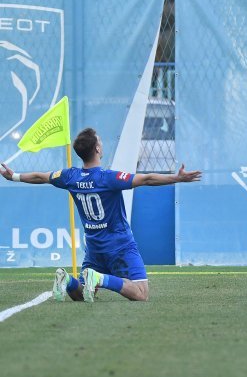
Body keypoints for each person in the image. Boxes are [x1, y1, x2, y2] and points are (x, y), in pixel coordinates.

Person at [1, 127, 201, 302]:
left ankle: (67, 280)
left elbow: (40, 176)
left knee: (81, 293)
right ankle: (99, 278)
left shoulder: (70, 176)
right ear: (97, 149)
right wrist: (176, 178)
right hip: (119, 244)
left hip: (94, 246)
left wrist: (14, 176)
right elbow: (147, 179)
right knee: (141, 293)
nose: (102, 144)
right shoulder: (108, 178)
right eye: (100, 141)